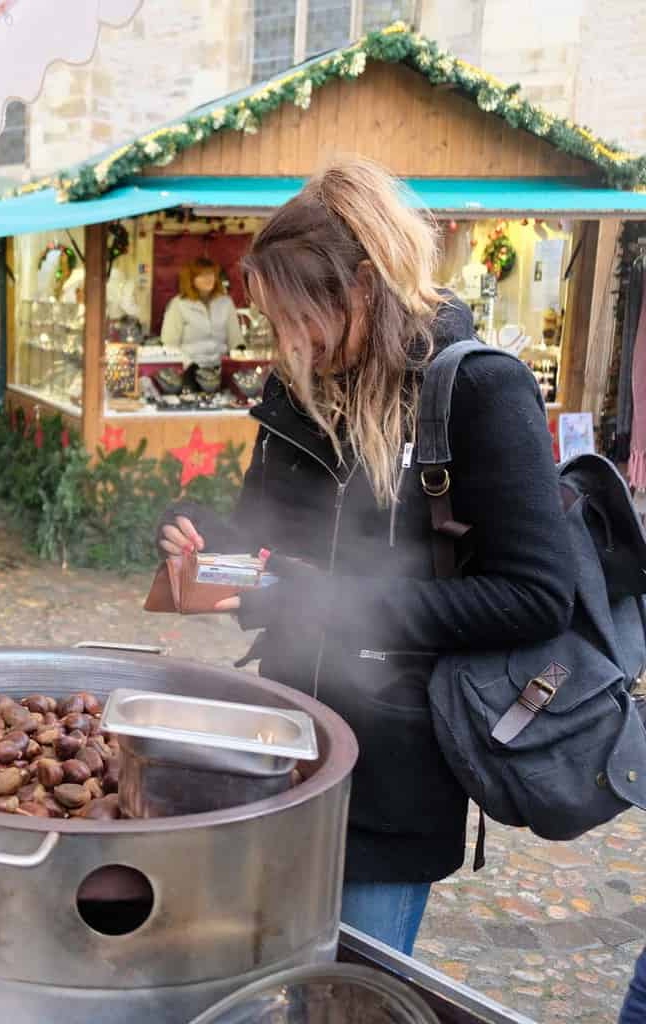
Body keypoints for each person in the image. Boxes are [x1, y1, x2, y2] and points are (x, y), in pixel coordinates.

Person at [157, 158, 573, 955]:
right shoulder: (297, 390)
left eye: (298, 318)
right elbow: (263, 547)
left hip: (397, 776)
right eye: (275, 323)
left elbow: (533, 596)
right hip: (280, 753)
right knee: (255, 981)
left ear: (361, 289)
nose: (289, 345)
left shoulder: (480, 389)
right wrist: (198, 537)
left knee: (351, 999)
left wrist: (336, 602)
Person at [160, 256, 243, 386]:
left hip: (221, 371)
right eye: (202, 275)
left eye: (211, 274)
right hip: (189, 372)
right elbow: (169, 344)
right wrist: (190, 365)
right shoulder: (178, 304)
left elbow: (236, 339)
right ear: (191, 279)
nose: (208, 279)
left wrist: (237, 362)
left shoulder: (226, 302)